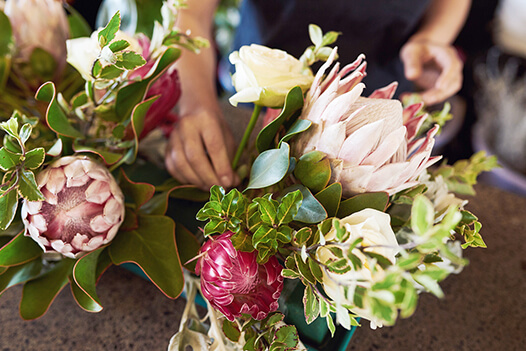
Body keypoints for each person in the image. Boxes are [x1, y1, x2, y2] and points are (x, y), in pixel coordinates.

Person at [165, 0, 471, 190]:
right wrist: (195, 104)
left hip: (370, 131)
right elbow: (189, 12)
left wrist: (432, 36)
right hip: (256, 108)